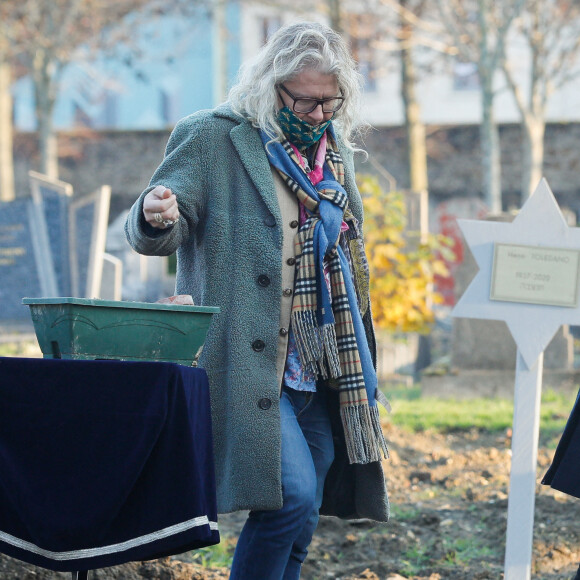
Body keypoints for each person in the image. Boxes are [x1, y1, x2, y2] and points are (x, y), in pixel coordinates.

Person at [125, 20, 389, 579]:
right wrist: (156, 214)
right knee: (289, 498)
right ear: (271, 86)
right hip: (247, 361)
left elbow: (348, 243)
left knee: (305, 512)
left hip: (319, 359)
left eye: (330, 101)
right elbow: (160, 222)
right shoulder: (213, 137)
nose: (319, 114)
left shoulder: (331, 150)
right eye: (306, 100)